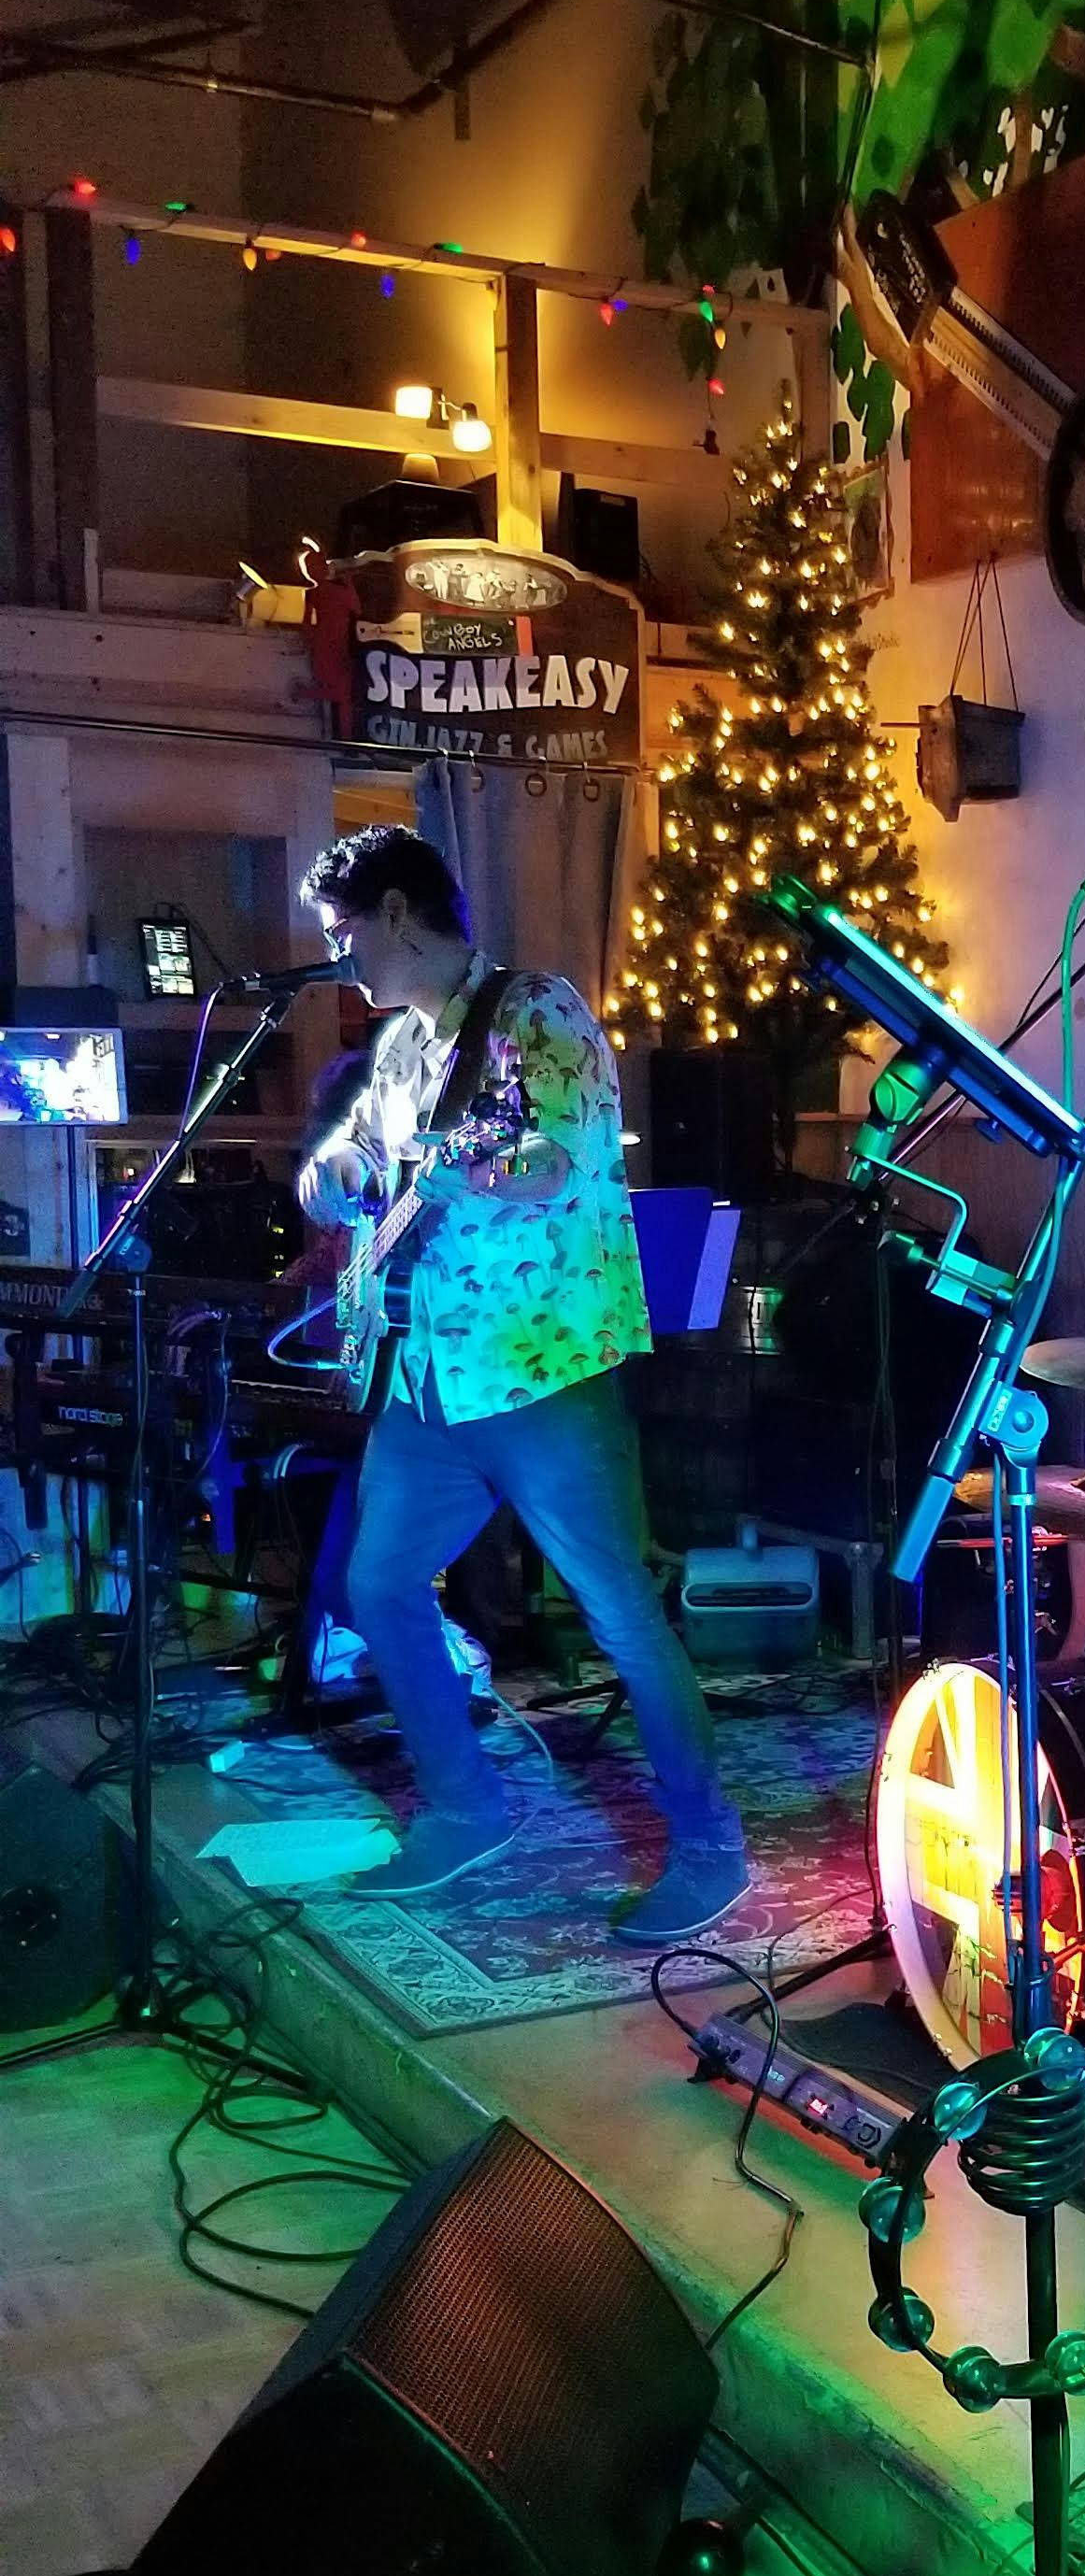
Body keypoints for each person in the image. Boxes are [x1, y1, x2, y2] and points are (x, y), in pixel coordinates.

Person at [293, 825, 747, 1938]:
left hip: (543, 1375)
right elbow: (350, 1168)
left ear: (399, 915)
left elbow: (550, 1160)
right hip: (429, 1382)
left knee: (620, 1614)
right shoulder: (399, 1049)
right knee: (377, 1587)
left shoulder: (537, 1012)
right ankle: (464, 1808)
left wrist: (461, 1168)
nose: (343, 956)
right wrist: (336, 1171)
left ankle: (711, 1848)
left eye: (348, 933)